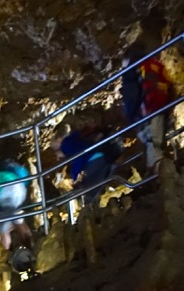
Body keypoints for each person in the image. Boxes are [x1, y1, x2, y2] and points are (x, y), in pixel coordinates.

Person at [123, 45, 175, 174]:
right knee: (158, 141)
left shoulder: (132, 69)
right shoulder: (154, 64)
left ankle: (158, 177)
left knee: (152, 144)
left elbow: (131, 94)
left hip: (146, 109)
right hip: (161, 106)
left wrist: (131, 115)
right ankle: (160, 173)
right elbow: (170, 86)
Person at [52, 123, 118, 206]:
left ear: (58, 139)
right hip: (97, 156)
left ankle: (89, 205)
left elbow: (78, 157)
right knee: (95, 183)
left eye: (55, 151)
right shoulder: (71, 140)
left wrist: (74, 176)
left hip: (92, 159)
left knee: (87, 185)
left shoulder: (65, 145)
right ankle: (93, 203)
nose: (57, 157)